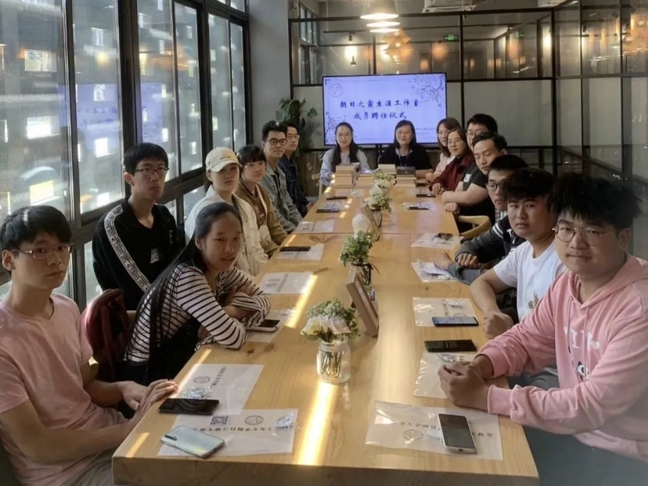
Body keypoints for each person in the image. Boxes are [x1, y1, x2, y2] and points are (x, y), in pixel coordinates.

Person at [439, 174, 648, 486]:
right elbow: (526, 339)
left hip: (623, 457)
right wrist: (480, 366)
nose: (576, 243)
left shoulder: (639, 308)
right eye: (566, 229)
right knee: (458, 455)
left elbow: (590, 406)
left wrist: (484, 397)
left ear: (623, 238)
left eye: (592, 231)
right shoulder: (569, 283)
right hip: (578, 433)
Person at [0, 205, 177, 486]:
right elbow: (38, 446)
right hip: (68, 473)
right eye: (40, 250)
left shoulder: (66, 307)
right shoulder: (4, 340)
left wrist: (122, 388)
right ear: (9, 260)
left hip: (110, 437)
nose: (56, 260)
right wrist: (129, 429)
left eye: (62, 248)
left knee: (205, 457)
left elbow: (84, 385)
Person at [123, 203, 271, 385]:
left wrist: (230, 310)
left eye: (236, 238)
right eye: (220, 240)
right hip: (149, 375)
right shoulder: (188, 277)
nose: (230, 249)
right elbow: (234, 337)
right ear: (199, 242)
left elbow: (265, 301)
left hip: (181, 358)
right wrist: (238, 310)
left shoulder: (222, 269)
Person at [470, 168, 565, 339]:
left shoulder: (565, 259)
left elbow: (556, 336)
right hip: (521, 345)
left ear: (553, 209)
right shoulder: (525, 250)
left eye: (530, 206)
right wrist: (493, 311)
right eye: (514, 205)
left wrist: (509, 331)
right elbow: (481, 283)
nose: (520, 215)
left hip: (541, 354)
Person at [93, 143, 182, 310]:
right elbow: (133, 286)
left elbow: (176, 265)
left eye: (161, 169)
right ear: (129, 178)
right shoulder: (114, 225)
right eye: (146, 170)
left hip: (170, 309)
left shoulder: (164, 216)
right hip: (132, 318)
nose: (155, 177)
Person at [433, 155, 528, 285]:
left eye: (505, 185)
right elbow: (470, 245)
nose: (498, 192)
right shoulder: (507, 222)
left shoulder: (526, 227)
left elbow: (502, 282)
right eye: (492, 185)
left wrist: (449, 266)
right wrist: (465, 257)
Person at [185, 147, 268, 277]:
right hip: (222, 286)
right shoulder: (203, 212)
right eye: (221, 170)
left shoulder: (245, 206)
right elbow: (211, 265)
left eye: (233, 169)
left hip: (252, 281)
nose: (229, 175)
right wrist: (253, 283)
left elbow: (256, 250)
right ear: (209, 175)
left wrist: (267, 276)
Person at [440, 132, 505, 223]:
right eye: (477, 157)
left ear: (503, 153)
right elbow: (458, 190)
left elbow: (468, 198)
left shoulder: (507, 179)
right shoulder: (473, 165)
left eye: (487, 154)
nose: (482, 161)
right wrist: (454, 202)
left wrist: (446, 195)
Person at [236, 145, 288, 256]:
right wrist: (278, 252)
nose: (257, 169)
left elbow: (274, 225)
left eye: (261, 163)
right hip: (256, 253)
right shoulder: (238, 196)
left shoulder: (261, 190)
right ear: (240, 168)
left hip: (270, 247)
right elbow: (254, 239)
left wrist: (289, 244)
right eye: (251, 165)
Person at [259, 121, 303, 233]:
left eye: (282, 141)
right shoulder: (260, 174)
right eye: (273, 141)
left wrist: (303, 226)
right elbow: (273, 214)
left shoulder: (280, 172)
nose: (278, 145)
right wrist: (295, 230)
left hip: (286, 228)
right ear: (263, 144)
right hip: (273, 234)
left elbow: (290, 205)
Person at [320, 122, 370, 187]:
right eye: (340, 135)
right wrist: (335, 176)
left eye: (347, 135)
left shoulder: (359, 153)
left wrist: (359, 174)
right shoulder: (329, 154)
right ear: (335, 137)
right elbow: (324, 174)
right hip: (335, 188)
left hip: (356, 188)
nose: (343, 138)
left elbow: (366, 170)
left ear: (351, 136)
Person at [430, 128, 474, 197]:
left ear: (466, 141)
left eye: (457, 140)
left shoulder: (472, 161)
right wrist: (436, 185)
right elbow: (440, 179)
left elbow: (461, 190)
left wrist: (445, 190)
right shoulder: (454, 162)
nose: (453, 145)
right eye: (450, 142)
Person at [279, 122, 311, 217]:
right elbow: (286, 199)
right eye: (289, 136)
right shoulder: (279, 164)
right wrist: (304, 209)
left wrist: (308, 205)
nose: (293, 140)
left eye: (296, 136)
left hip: (298, 211)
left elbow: (298, 191)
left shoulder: (291, 162)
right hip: (290, 215)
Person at [427, 117, 462, 182]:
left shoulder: (461, 155)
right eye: (440, 132)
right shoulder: (443, 155)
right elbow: (436, 174)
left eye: (447, 132)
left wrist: (434, 178)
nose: (443, 136)